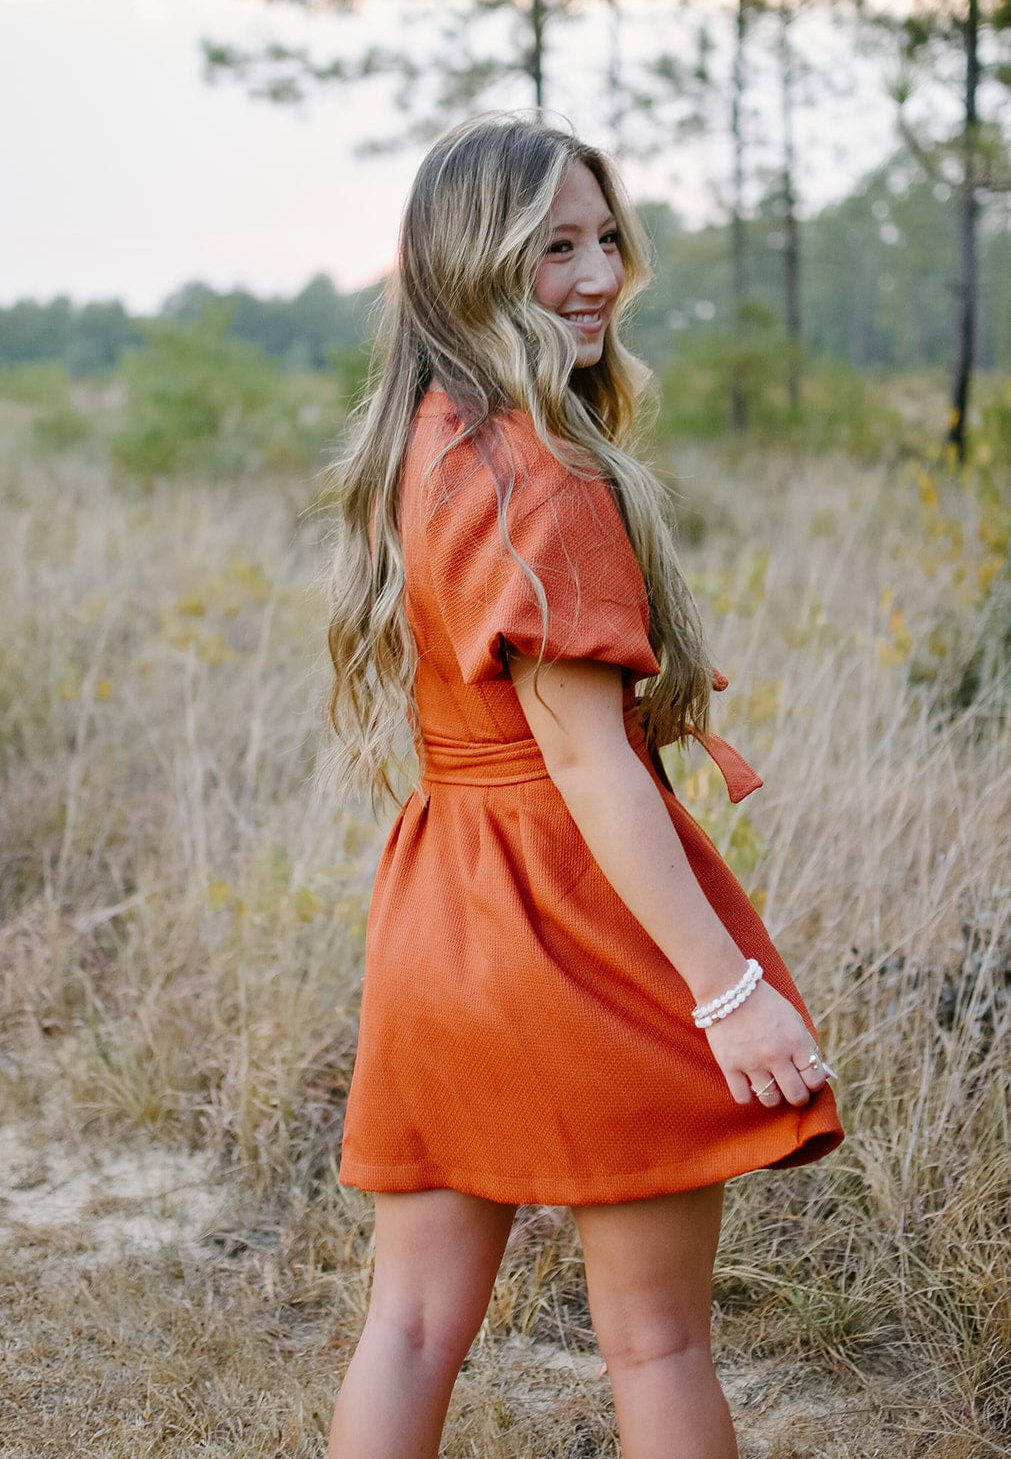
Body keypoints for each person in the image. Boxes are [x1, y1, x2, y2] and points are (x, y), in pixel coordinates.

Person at [323, 112, 843, 1459]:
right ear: (474, 264)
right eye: (555, 246)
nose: (600, 275)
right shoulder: (542, 479)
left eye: (607, 239)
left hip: (442, 917)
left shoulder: (427, 441)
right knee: (656, 1341)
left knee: (413, 1328)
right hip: (571, 918)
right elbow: (584, 760)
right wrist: (727, 990)